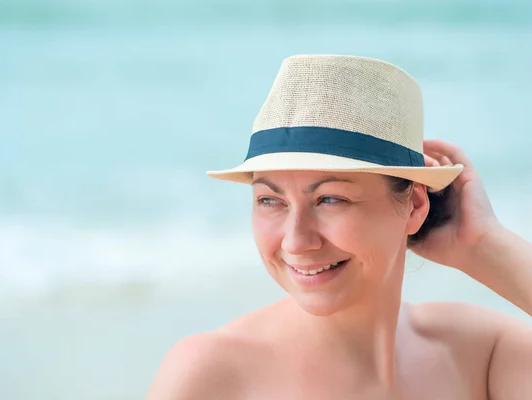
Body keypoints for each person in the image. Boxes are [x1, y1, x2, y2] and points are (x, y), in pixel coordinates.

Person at [146, 55, 532, 399]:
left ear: (414, 204)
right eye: (270, 200)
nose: (297, 241)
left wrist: (484, 245)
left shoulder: (482, 356)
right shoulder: (211, 376)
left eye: (330, 199)